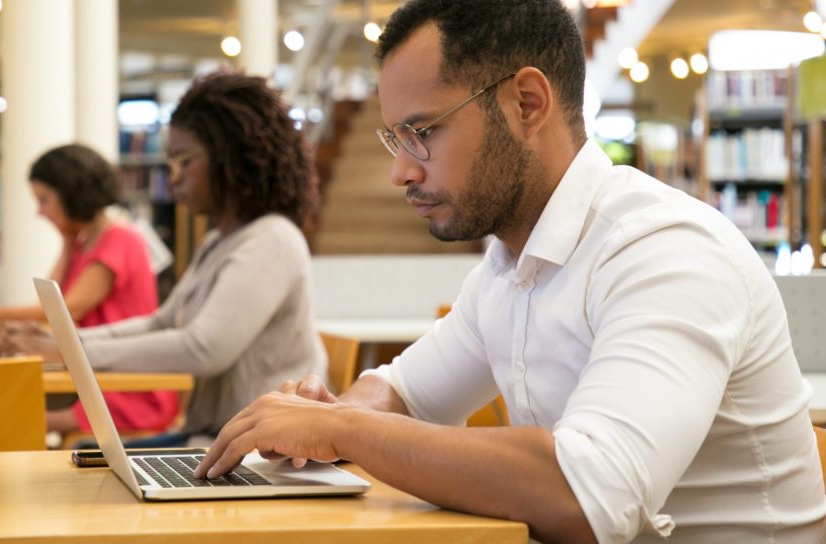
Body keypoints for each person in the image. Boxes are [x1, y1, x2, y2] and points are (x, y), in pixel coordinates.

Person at [194, 2, 826, 543]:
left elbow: (586, 496)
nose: (401, 172)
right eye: (395, 138)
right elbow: (404, 395)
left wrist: (343, 429)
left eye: (422, 132)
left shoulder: (665, 250)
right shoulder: (507, 268)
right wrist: (324, 419)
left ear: (527, 103)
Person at [0, 73, 327, 447]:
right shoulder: (220, 241)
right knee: (83, 458)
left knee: (82, 460)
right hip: (214, 439)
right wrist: (65, 339)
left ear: (230, 158)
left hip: (254, 451)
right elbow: (162, 322)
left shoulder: (272, 240)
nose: (174, 180)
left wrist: (68, 349)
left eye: (184, 162)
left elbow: (203, 349)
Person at [0, 144, 179, 438]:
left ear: (71, 196)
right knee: (8, 412)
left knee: (9, 417)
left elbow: (67, 309)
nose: (40, 212)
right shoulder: (85, 242)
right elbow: (50, 301)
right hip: (100, 378)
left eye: (44, 200)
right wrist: (68, 243)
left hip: (130, 390)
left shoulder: (120, 239)